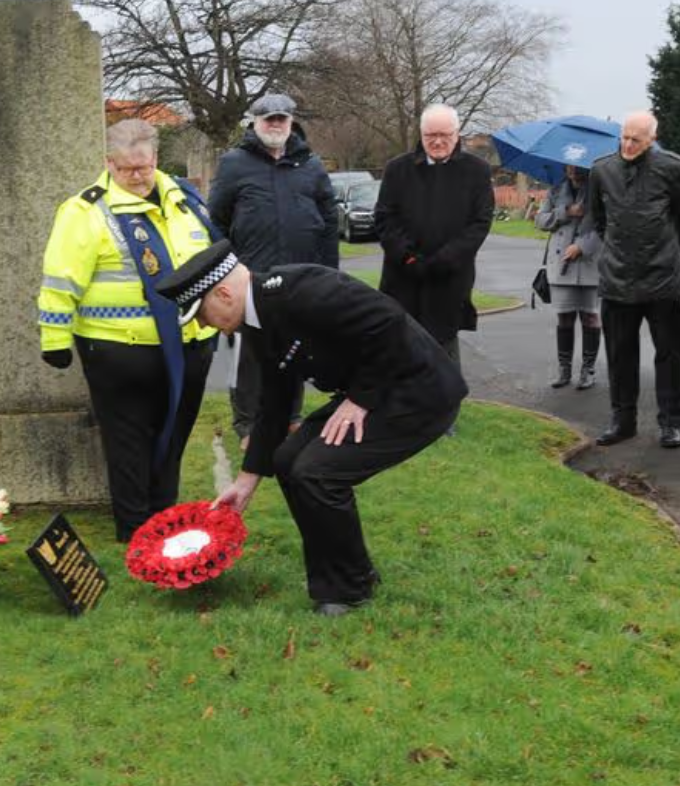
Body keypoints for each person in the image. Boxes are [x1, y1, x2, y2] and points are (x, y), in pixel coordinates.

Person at [156, 240, 466, 616]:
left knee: (318, 472)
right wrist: (246, 481)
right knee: (288, 459)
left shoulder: (305, 291)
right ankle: (347, 570)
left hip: (418, 393)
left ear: (223, 294)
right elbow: (275, 400)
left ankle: (348, 590)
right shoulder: (259, 317)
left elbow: (388, 321)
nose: (205, 326)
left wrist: (361, 399)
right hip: (379, 389)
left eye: (202, 314)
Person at [36, 119, 220, 541]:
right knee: (128, 442)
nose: (137, 176)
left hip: (190, 343)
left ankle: (164, 518)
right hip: (118, 349)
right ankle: (135, 529)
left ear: (156, 157)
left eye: (144, 166)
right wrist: (55, 338)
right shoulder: (85, 211)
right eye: (126, 169)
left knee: (173, 435)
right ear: (109, 163)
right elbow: (60, 280)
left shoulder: (185, 199)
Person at [207, 93, 339, 448]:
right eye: (269, 119)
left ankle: (290, 416)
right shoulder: (234, 163)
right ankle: (247, 424)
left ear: (291, 122)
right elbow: (215, 222)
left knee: (295, 349)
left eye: (282, 118)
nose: (276, 124)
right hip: (250, 278)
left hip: (301, 277)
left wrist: (329, 273)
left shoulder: (311, 164)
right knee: (248, 355)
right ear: (255, 122)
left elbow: (328, 221)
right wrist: (229, 271)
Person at [590, 110, 680, 448]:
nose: (628, 145)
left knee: (668, 354)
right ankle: (622, 421)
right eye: (624, 137)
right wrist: (619, 250)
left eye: (636, 139)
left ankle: (670, 423)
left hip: (662, 279)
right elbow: (599, 220)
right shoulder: (601, 170)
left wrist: (667, 250)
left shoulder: (671, 167)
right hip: (617, 278)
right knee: (620, 355)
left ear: (652, 139)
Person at [374, 104, 495, 399]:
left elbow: (480, 223)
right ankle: (401, 407)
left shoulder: (477, 171)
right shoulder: (397, 169)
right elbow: (385, 219)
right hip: (403, 275)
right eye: (430, 135)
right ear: (421, 134)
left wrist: (445, 259)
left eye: (444, 135)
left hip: (450, 276)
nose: (437, 141)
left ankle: (445, 409)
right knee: (401, 343)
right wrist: (408, 257)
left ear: (457, 134)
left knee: (444, 346)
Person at [535, 165, 602, 389]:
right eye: (569, 166)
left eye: (578, 166)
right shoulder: (555, 190)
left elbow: (608, 224)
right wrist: (566, 212)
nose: (573, 170)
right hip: (561, 262)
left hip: (590, 262)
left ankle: (588, 370)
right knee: (564, 317)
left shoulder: (601, 189)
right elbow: (540, 221)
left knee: (590, 317)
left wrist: (582, 246)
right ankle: (564, 370)